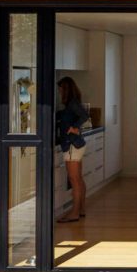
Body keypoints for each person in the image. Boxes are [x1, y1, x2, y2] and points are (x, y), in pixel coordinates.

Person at [56, 77, 89, 223]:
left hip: (71, 145)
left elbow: (85, 115)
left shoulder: (72, 103)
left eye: (61, 89)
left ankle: (74, 213)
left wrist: (74, 128)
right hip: (76, 145)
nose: (59, 92)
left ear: (65, 89)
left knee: (74, 180)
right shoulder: (72, 103)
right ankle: (80, 209)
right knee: (79, 179)